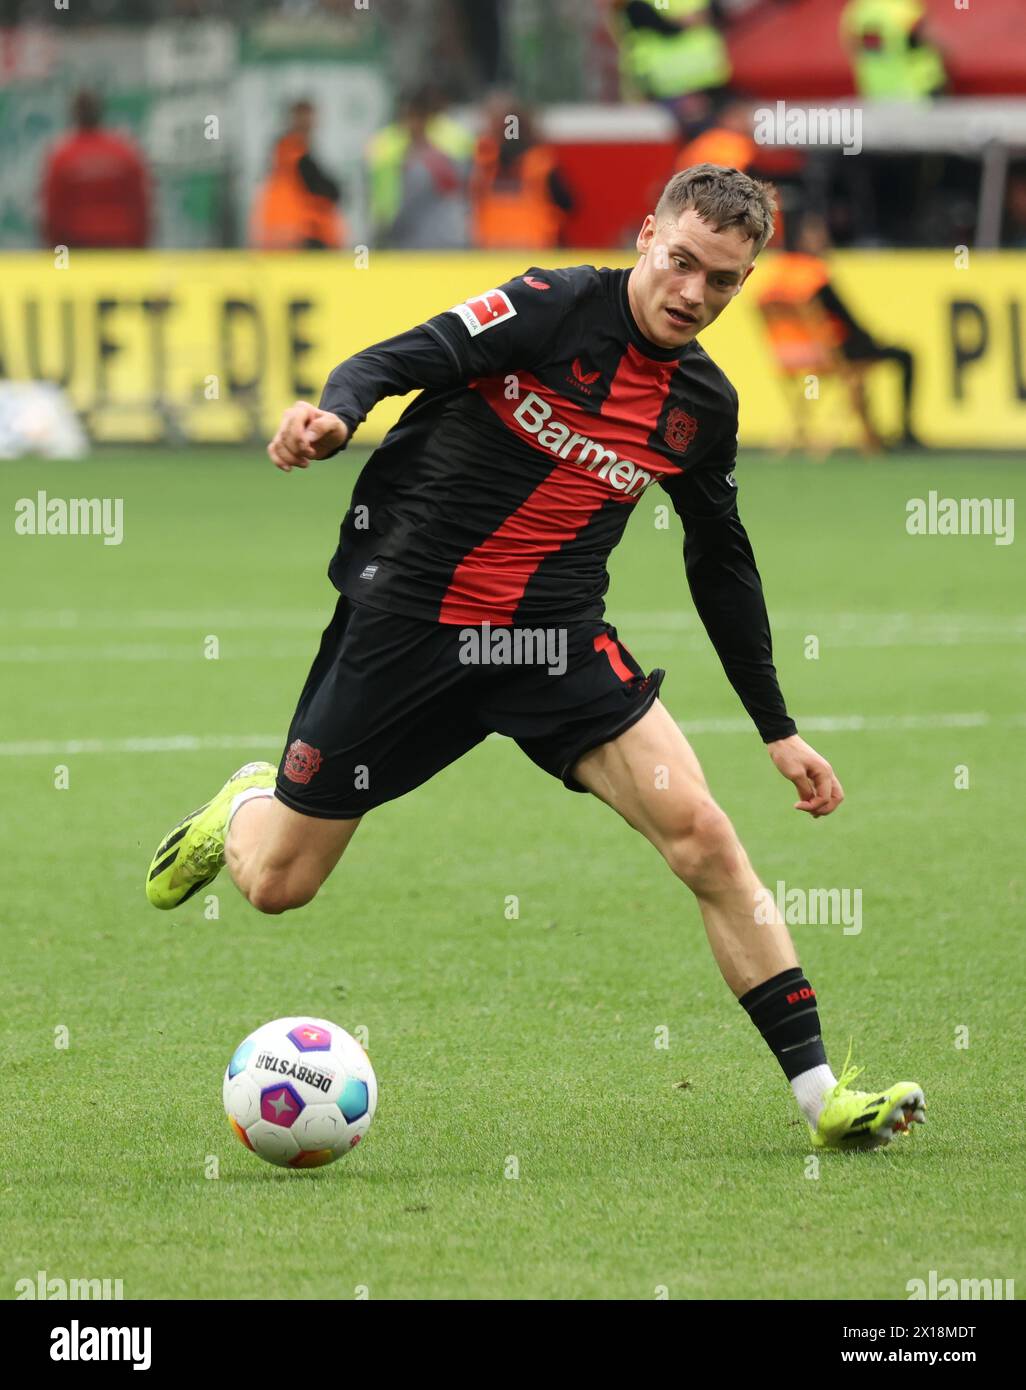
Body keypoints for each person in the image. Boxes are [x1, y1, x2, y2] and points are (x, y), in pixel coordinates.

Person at [145, 164, 926, 1153]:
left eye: (722, 281)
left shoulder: (700, 404)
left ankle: (823, 1097)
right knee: (276, 884)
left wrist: (779, 728)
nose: (694, 293)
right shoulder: (551, 306)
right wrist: (336, 413)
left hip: (550, 641)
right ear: (646, 234)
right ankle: (247, 803)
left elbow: (721, 560)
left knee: (706, 840)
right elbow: (407, 354)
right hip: (411, 624)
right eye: (681, 261)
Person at [760, 212, 920, 449]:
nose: (824, 239)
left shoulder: (781, 273)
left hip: (787, 354)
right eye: (818, 235)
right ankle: (904, 432)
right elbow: (846, 319)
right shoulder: (816, 275)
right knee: (905, 355)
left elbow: (762, 304)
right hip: (832, 353)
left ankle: (871, 434)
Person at [366, 86, 474, 249]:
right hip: (410, 237)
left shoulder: (439, 153)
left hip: (428, 239)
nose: (410, 124)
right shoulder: (387, 144)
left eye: (414, 118)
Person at [40, 90, 150, 249]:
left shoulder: (62, 157)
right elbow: (140, 207)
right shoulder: (124, 153)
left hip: (78, 248)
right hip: (121, 248)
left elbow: (53, 213)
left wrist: (57, 252)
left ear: (75, 114)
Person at [614, 0, 733, 139]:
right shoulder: (638, 4)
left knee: (718, 136)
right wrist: (690, 20)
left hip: (709, 81)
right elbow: (654, 23)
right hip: (667, 87)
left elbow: (721, 13)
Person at [470, 94, 574, 250]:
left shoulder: (484, 165)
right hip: (532, 254)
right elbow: (568, 204)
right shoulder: (541, 163)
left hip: (493, 254)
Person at [249, 99, 346, 250]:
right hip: (295, 237)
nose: (309, 126)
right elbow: (325, 189)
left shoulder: (286, 154)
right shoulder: (292, 153)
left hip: (287, 237)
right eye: (305, 120)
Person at [840, 0, 946, 100]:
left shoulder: (858, 9)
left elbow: (853, 49)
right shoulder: (902, 7)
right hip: (918, 90)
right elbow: (936, 41)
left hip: (877, 92)